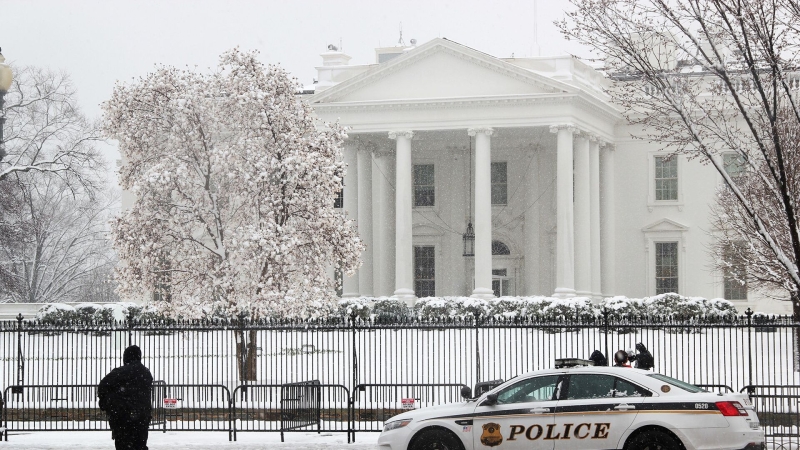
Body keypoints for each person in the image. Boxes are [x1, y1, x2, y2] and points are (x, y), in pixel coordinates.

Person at [98, 345, 153, 450]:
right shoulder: (146, 373)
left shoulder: (121, 372)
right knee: (140, 445)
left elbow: (103, 385)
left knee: (124, 445)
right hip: (142, 416)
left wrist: (106, 402)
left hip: (124, 417)